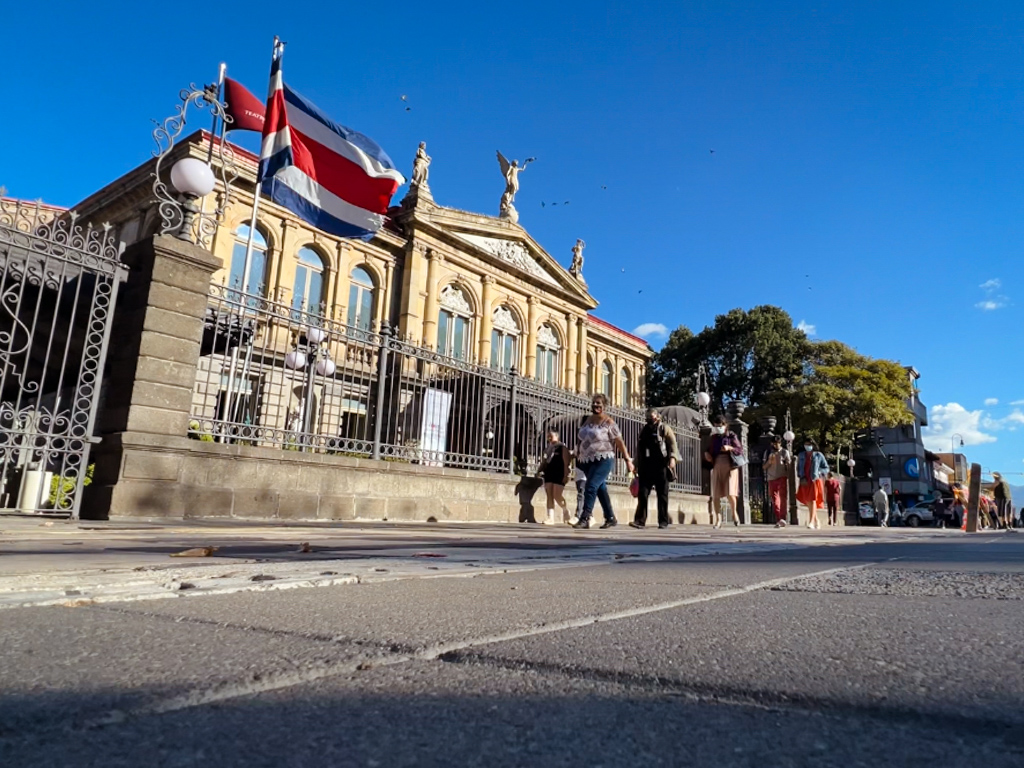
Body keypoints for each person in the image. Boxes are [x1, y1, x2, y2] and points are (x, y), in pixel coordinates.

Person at [574, 393, 633, 530]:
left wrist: (627, 459)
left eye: (599, 404)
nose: (596, 406)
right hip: (586, 460)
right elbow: (581, 438)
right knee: (600, 489)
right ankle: (610, 517)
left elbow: (619, 441)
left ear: (604, 406)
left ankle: (585, 517)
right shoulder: (587, 420)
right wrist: (577, 450)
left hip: (604, 459)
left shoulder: (609, 423)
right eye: (594, 403)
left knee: (591, 486)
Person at [630, 408, 678, 529]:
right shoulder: (644, 430)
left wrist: (673, 458)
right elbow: (639, 449)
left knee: (662, 495)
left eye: (652, 415)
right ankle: (640, 520)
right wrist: (635, 464)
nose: (650, 417)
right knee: (643, 494)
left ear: (657, 416)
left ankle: (663, 521)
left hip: (661, 465)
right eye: (648, 415)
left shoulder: (664, 428)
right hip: (646, 465)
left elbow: (673, 444)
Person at [704, 414, 742, 528]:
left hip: (730, 465)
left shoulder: (731, 436)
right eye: (716, 426)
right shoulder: (714, 438)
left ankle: (734, 513)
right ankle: (718, 519)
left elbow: (739, 450)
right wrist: (707, 454)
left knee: (731, 492)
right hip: (717, 464)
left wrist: (729, 447)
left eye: (720, 426)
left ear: (725, 425)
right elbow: (709, 449)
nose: (718, 428)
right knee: (716, 494)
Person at [536, 430, 571, 525]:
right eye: (548, 437)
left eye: (551, 436)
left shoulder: (562, 448)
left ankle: (565, 510)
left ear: (557, 436)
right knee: (549, 495)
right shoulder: (548, 448)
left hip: (559, 473)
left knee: (557, 495)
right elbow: (544, 460)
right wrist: (539, 471)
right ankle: (550, 518)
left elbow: (566, 462)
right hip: (549, 472)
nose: (549, 438)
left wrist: (565, 475)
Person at [796, 438, 829, 529]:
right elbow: (798, 467)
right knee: (808, 501)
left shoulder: (818, 455)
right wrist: (800, 475)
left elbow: (826, 468)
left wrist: (819, 472)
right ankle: (816, 520)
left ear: (813, 445)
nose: (807, 446)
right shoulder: (801, 455)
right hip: (805, 479)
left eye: (809, 444)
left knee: (813, 500)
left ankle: (811, 522)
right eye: (806, 444)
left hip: (814, 479)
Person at [763, 435, 792, 527]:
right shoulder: (768, 452)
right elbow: (764, 467)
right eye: (774, 443)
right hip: (771, 478)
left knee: (783, 498)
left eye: (778, 443)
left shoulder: (784, 452)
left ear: (780, 443)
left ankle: (783, 518)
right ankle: (779, 518)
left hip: (782, 477)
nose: (776, 445)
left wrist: (786, 463)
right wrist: (769, 462)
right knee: (775, 499)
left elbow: (789, 465)